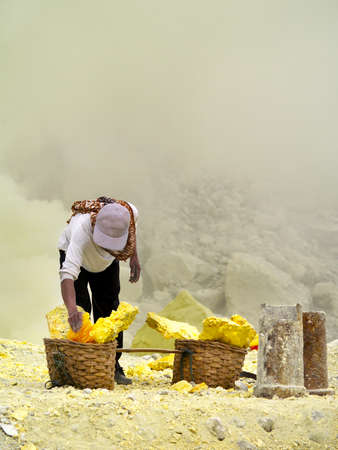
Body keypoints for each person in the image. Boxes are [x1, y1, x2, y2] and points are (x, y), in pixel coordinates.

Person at [57, 196, 141, 385]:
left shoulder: (129, 212)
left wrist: (134, 256)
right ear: (95, 227)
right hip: (79, 259)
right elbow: (67, 275)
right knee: (81, 311)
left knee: (110, 312)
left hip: (108, 262)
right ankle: (79, 366)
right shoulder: (80, 231)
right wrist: (71, 311)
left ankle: (112, 365)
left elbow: (134, 230)